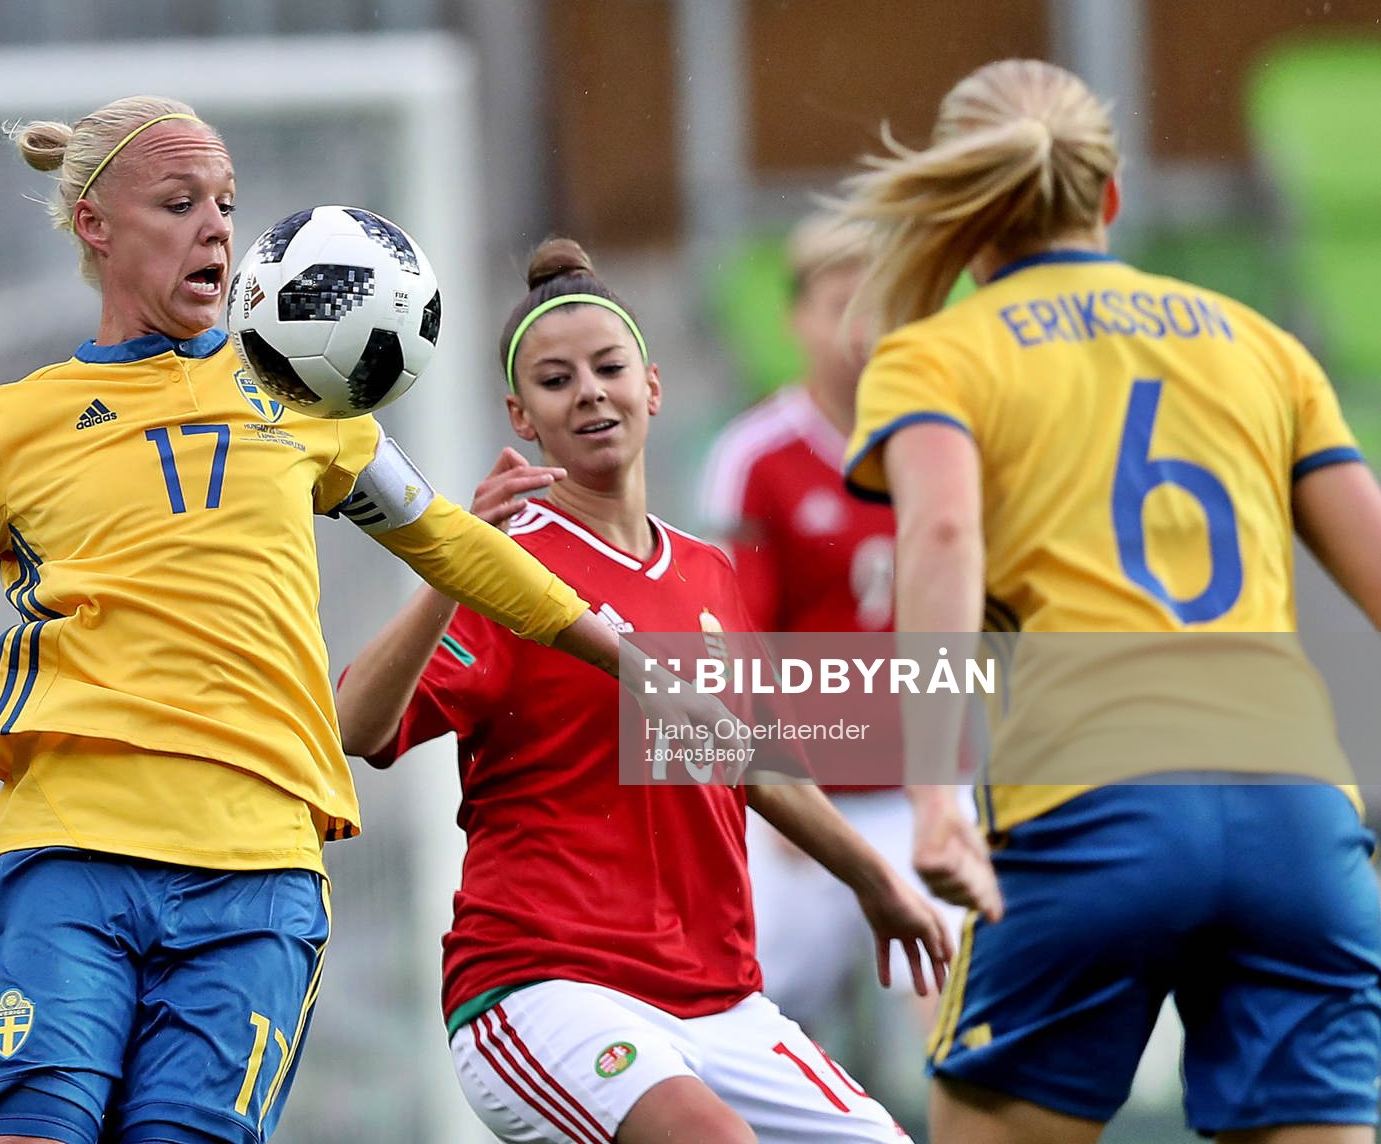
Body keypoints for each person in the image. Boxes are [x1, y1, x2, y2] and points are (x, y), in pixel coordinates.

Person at [0, 98, 689, 1144]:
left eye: (227, 202)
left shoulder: (306, 398)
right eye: (181, 202)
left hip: (259, 873)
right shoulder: (16, 421)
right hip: (74, 852)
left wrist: (624, 655)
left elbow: (449, 540)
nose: (217, 227)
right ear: (93, 223)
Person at [838, 58, 1381, 1144]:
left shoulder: (936, 357)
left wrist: (935, 789)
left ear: (964, 207)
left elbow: (943, 531)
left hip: (1092, 809)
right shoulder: (1266, 346)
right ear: (1112, 196)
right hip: (1299, 815)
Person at [336, 238, 966, 1144]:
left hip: (718, 1002)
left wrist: (877, 881)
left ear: (652, 386)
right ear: (521, 415)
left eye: (607, 368)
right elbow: (361, 727)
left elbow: (747, 758)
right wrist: (454, 566)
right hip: (545, 986)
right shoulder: (510, 569)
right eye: (556, 381)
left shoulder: (706, 573)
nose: (588, 391)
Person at [700, 213, 967, 1048]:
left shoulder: (944, 446)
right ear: (796, 318)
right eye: (841, 304)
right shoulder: (757, 456)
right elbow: (733, 640)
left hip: (924, 794)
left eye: (881, 306)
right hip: (802, 806)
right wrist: (773, 789)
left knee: (966, 1018)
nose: (862, 330)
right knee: (742, 1021)